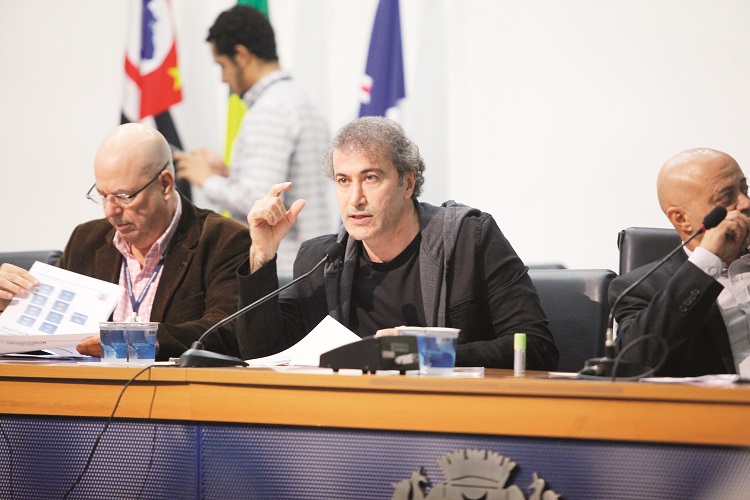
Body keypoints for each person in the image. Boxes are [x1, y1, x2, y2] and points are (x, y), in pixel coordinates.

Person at [235, 117, 558, 370]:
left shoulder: (469, 239)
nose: (355, 199)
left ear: (408, 183)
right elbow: (262, 355)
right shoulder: (322, 259)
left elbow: (536, 347)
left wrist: (421, 354)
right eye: (344, 181)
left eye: (370, 178)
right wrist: (261, 254)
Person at [0, 123, 250, 361]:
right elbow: (49, 337)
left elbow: (228, 330)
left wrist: (139, 341)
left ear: (165, 184)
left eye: (123, 196)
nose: (110, 211)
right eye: (103, 196)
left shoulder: (224, 240)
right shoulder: (85, 240)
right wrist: (10, 307)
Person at [174, 4, 332, 278]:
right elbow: (286, 185)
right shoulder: (297, 100)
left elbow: (260, 201)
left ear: (242, 55)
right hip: (307, 262)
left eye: (222, 65)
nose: (222, 79)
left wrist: (207, 179)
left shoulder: (269, 110)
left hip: (283, 267)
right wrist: (228, 174)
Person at [610, 148, 750, 376]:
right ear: (682, 219)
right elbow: (635, 361)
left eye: (744, 189)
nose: (745, 203)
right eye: (727, 197)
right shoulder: (640, 289)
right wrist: (706, 261)